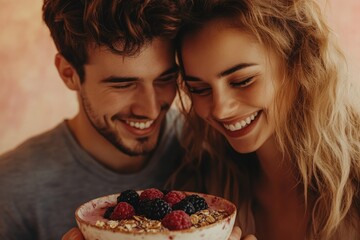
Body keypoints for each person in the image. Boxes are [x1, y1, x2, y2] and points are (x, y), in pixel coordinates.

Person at [172, 0, 360, 239]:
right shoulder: (200, 184)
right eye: (199, 89)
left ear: (298, 60)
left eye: (242, 81)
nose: (220, 110)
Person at [0, 0, 188, 239]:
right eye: (123, 84)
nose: (150, 110)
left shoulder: (212, 150)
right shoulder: (10, 188)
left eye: (165, 79)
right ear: (69, 74)